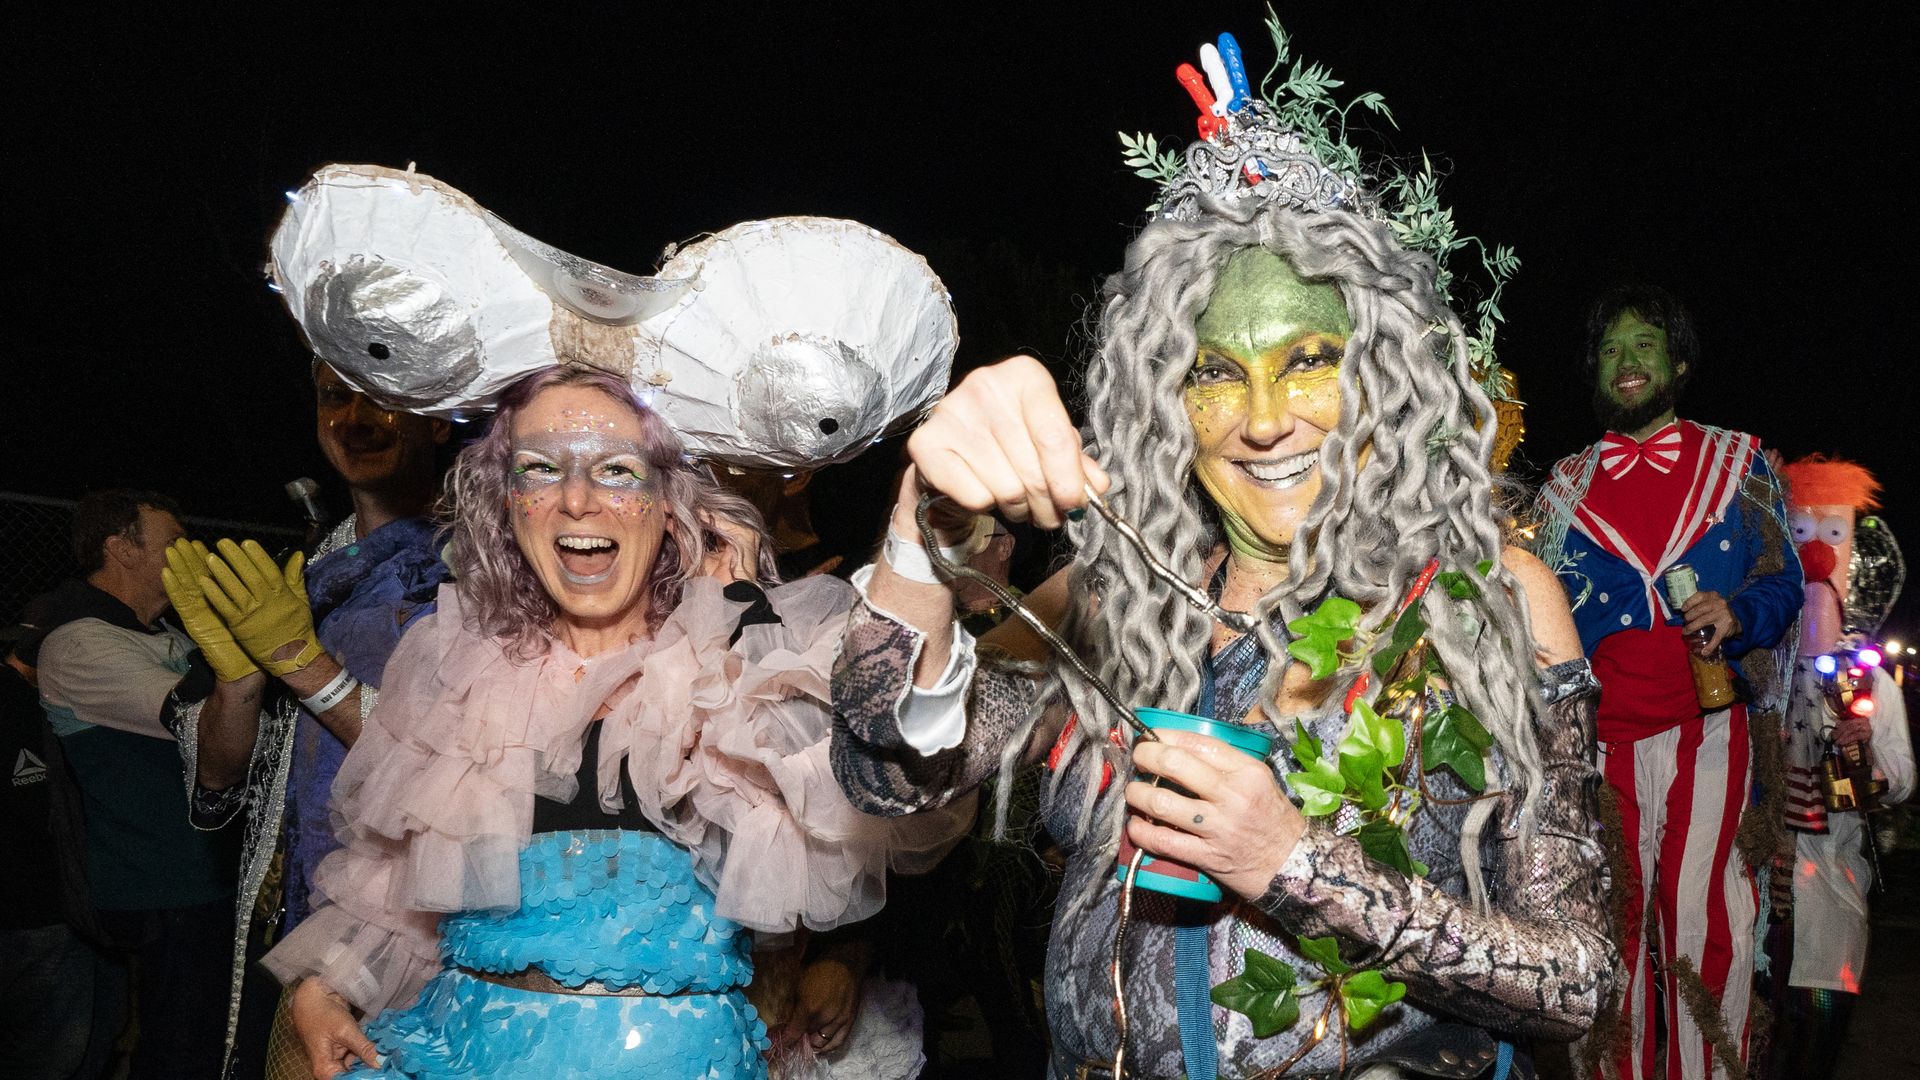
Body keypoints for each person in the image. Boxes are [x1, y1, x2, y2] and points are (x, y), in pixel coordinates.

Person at [831, 25, 1613, 1080]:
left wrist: (1289, 862)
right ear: (1167, 401)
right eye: (1214, 374)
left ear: (1387, 372)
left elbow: (1574, 980)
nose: (1262, 420)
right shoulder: (1112, 599)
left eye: (1309, 362)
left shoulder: (1486, 601)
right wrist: (929, 533)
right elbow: (884, 771)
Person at [171, 365, 970, 1080]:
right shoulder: (459, 660)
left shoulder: (740, 655)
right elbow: (395, 882)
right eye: (541, 469)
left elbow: (890, 807)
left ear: (669, 501)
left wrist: (852, 590)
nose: (578, 499)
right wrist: (328, 985)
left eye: (617, 470)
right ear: (505, 502)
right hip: (457, 1052)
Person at [1532, 287, 1802, 1080]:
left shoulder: (1739, 463)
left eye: (1644, 344)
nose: (1627, 361)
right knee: (1608, 928)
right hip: (1597, 745)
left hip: (1706, 728)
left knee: (1701, 921)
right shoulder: (1563, 488)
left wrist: (1741, 611)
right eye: (1611, 349)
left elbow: (1784, 583)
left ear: (1677, 362)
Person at [162, 361, 452, 1076]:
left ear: (441, 416)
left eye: (383, 399)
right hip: (293, 917)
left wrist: (302, 665)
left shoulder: (485, 566)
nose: (354, 419)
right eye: (333, 396)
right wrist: (239, 681)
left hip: (421, 921)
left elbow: (457, 770)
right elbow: (220, 781)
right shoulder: (310, 566)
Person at [31, 489, 252, 1079]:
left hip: (203, 881)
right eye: (174, 544)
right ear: (119, 549)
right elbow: (190, 714)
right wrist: (238, 638)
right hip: (160, 886)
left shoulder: (167, 637)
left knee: (216, 1040)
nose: (192, 556)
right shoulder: (79, 642)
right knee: (181, 1049)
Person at [1764, 455, 1911, 1079]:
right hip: (1759, 890)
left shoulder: (1869, 679)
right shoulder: (1757, 668)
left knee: (1818, 1034)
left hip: (1835, 885)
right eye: (1800, 533)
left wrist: (1866, 751)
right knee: (1759, 1034)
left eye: (1831, 536)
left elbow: (1901, 776)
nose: (1817, 557)